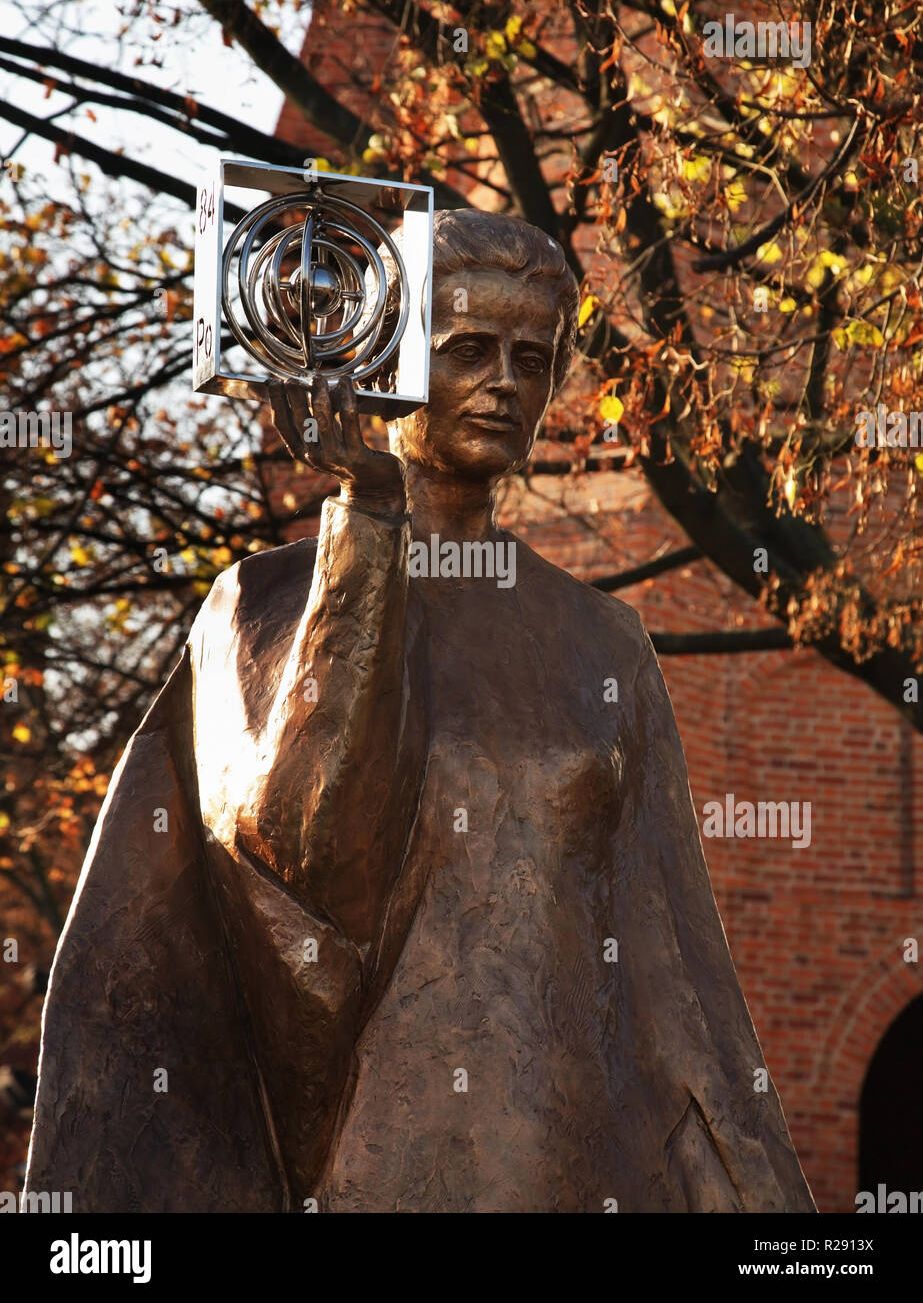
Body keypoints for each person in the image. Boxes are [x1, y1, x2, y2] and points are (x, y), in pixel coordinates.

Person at [26, 209, 814, 1212]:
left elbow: (680, 984)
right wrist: (364, 514)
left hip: (566, 1163)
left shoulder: (600, 641)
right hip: (367, 1160)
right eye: (467, 350)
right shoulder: (261, 603)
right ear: (388, 360)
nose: (504, 383)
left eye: (532, 360)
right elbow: (302, 875)